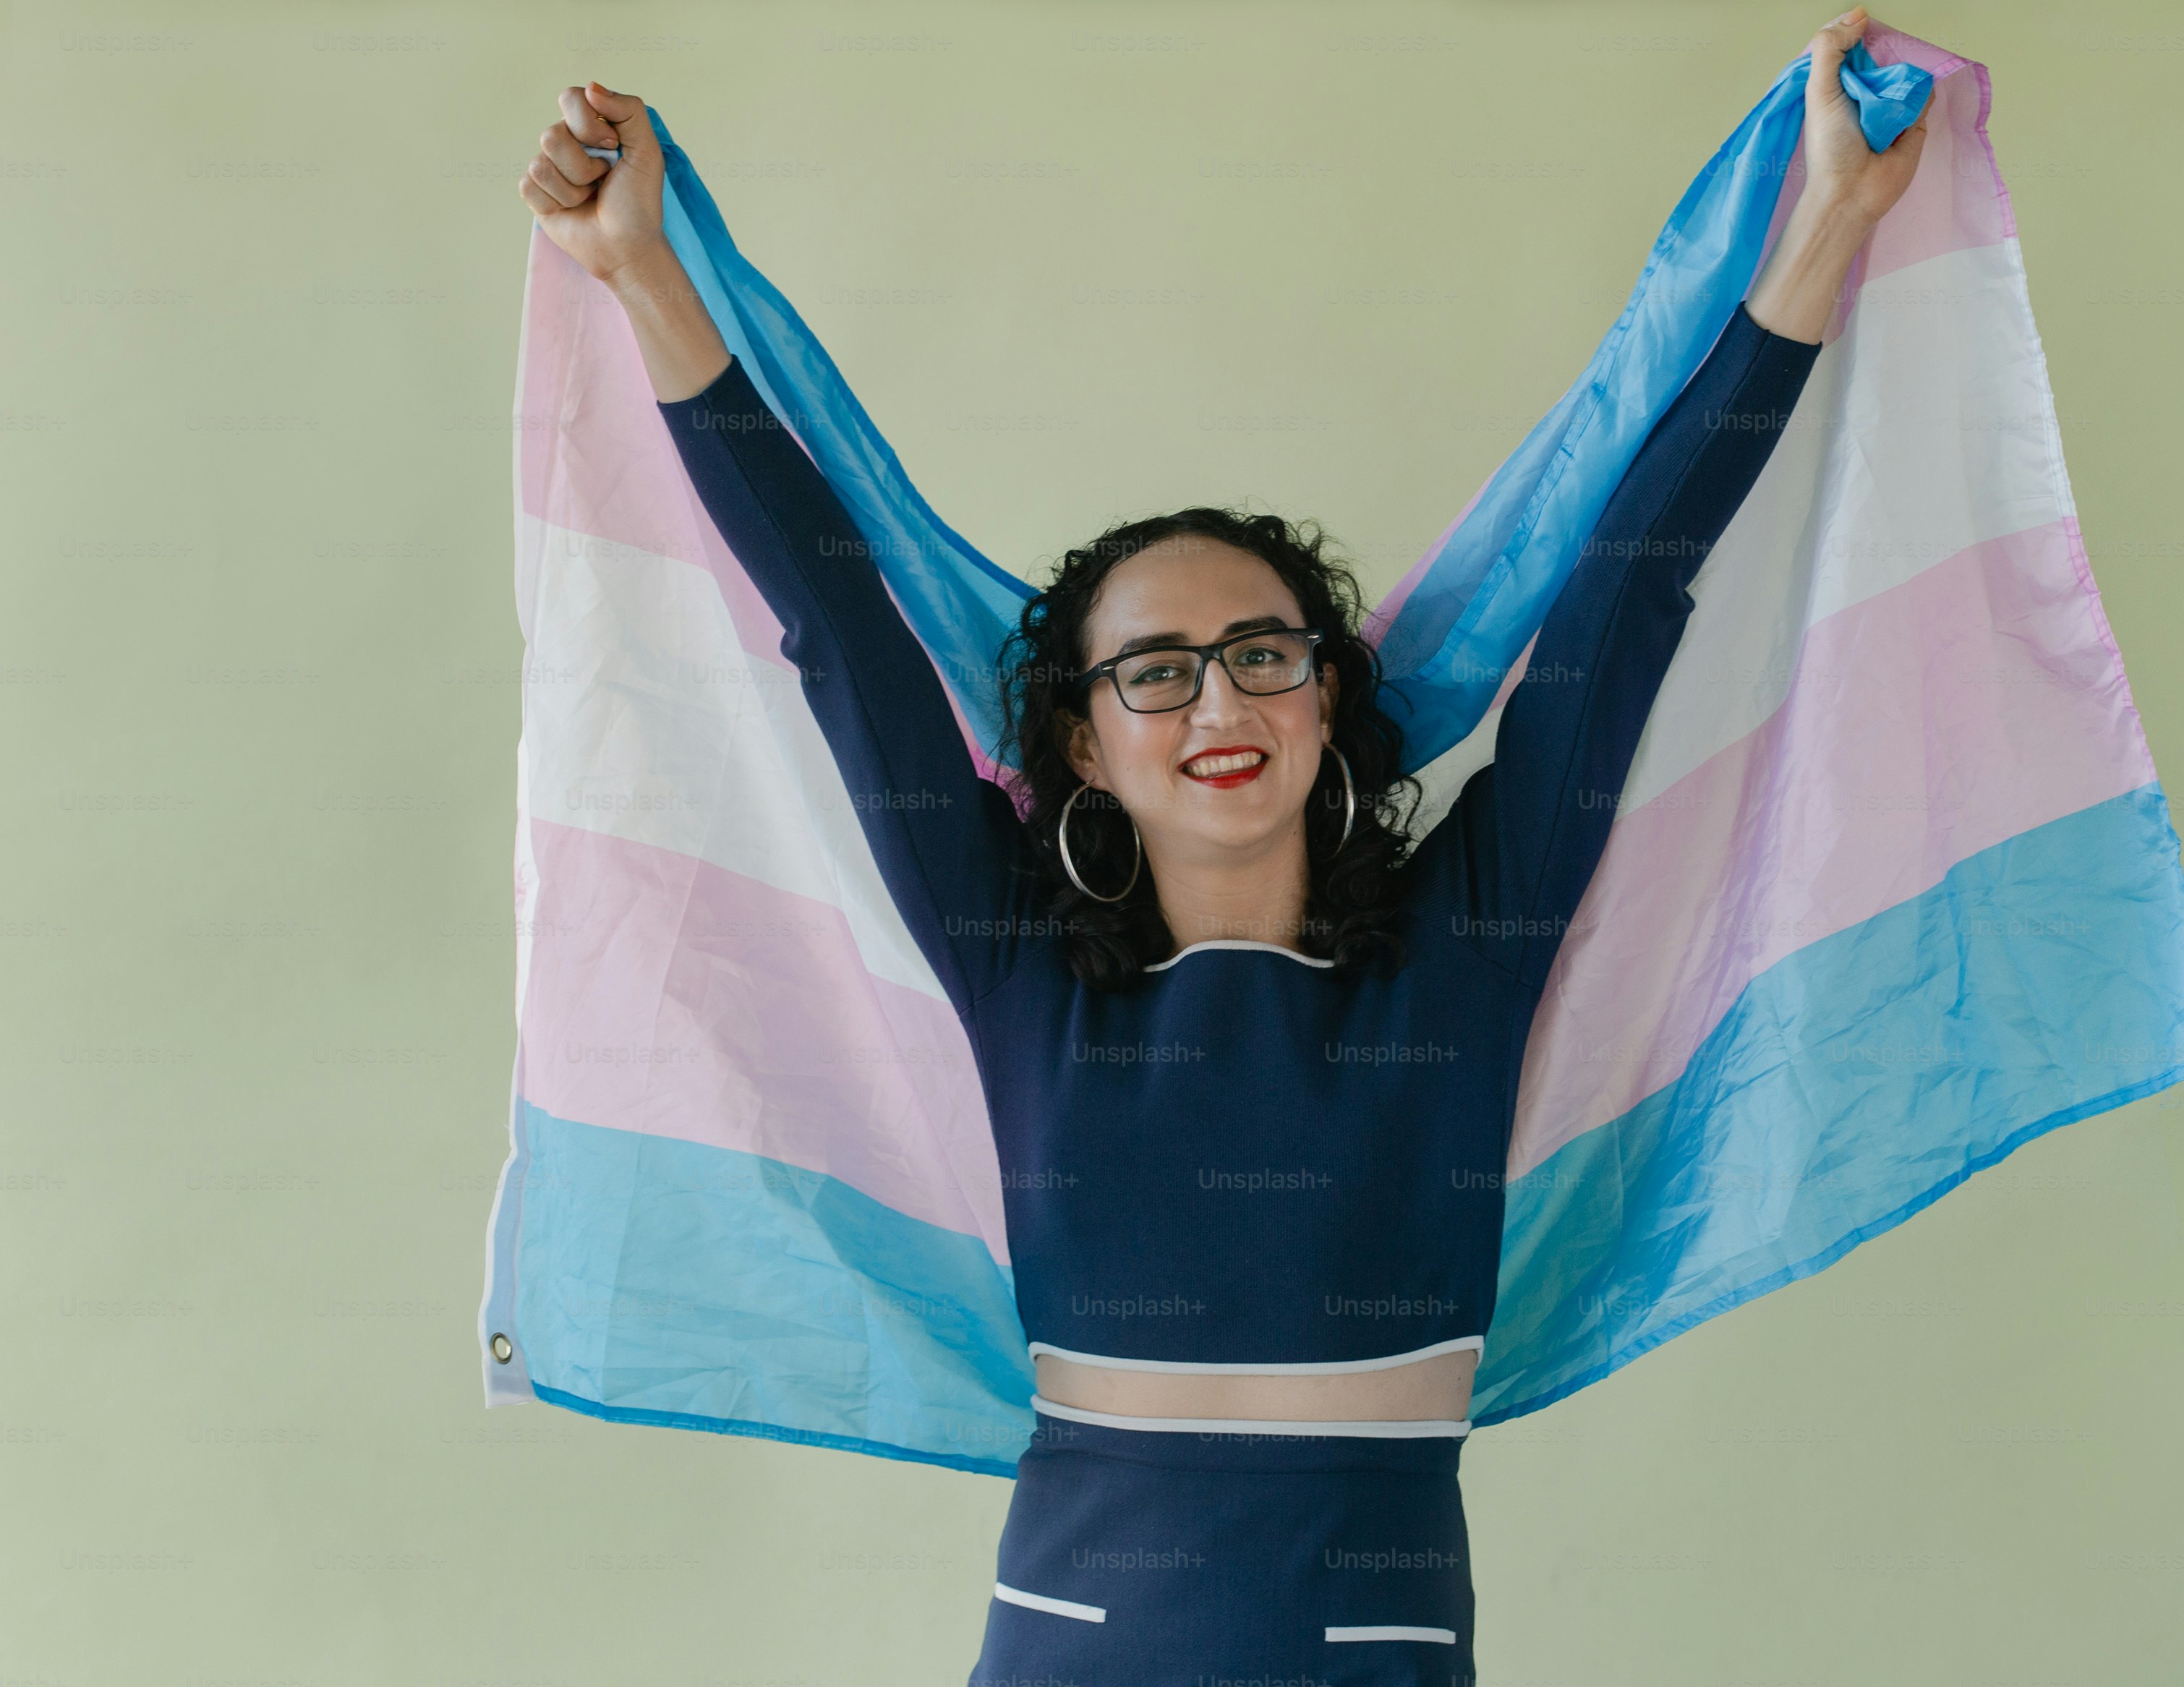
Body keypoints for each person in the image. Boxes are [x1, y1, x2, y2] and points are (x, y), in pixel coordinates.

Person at [517, 9, 1928, 1680]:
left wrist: (1828, 222)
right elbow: (839, 627)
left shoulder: (1463, 959)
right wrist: (643, 274)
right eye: (1155, 671)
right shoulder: (1020, 977)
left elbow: (1633, 589)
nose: (1218, 701)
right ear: (1080, 743)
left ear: (1326, 696)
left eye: (1264, 653)